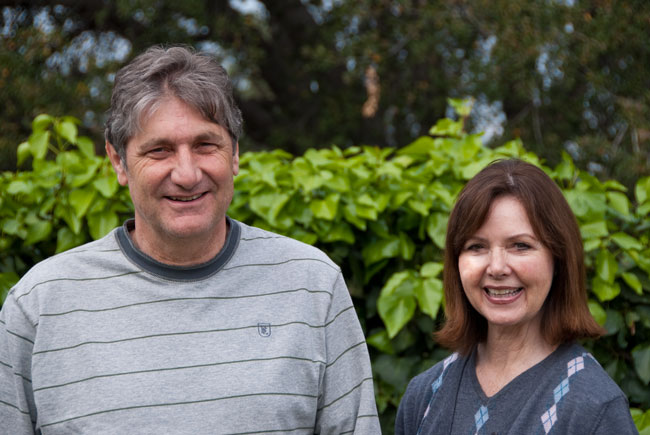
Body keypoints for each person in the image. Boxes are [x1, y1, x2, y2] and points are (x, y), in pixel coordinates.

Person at [0, 45, 380, 434]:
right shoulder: (41, 305)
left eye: (205, 145)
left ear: (234, 153)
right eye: (159, 150)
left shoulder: (313, 286)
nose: (186, 173)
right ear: (118, 162)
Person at [395, 159, 638, 434]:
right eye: (477, 246)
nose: (497, 267)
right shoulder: (424, 396)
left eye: (520, 246)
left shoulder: (594, 408)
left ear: (558, 259)